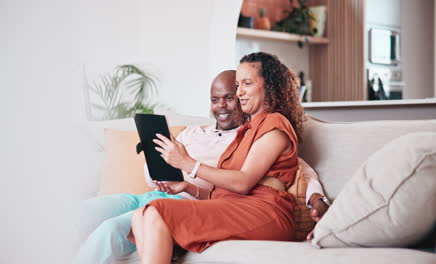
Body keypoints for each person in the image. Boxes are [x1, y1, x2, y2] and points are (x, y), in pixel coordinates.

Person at [75, 68, 329, 264]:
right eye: (215, 99)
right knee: (77, 214)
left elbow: (300, 169)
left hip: (189, 205)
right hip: (154, 195)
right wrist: (159, 166)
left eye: (229, 98)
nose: (221, 106)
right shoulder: (192, 132)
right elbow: (154, 177)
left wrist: (317, 199)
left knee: (109, 231)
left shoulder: (254, 137)